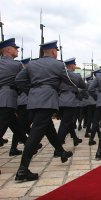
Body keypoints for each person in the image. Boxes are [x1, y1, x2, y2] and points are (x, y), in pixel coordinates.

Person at [15, 40, 78, 181]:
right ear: (54, 51)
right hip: (47, 100)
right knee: (35, 135)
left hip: (34, 100)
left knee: (48, 128)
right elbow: (71, 79)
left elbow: (19, 80)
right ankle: (23, 170)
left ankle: (61, 152)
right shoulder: (57, 64)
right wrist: (82, 86)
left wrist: (32, 91)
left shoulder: (32, 64)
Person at [0, 38, 28, 155]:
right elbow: (25, 80)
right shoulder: (16, 65)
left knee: (15, 125)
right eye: (15, 48)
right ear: (7, 49)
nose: (17, 50)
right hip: (7, 98)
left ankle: (27, 142)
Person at [57, 57, 85, 149]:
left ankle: (75, 138)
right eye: (74, 65)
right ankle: (58, 147)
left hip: (60, 101)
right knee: (65, 124)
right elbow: (83, 86)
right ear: (72, 65)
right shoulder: (76, 76)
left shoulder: (60, 75)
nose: (75, 66)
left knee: (67, 122)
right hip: (71, 101)